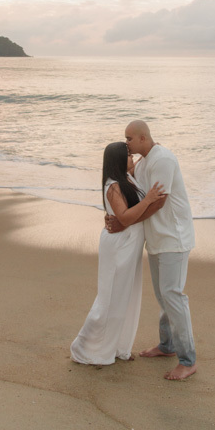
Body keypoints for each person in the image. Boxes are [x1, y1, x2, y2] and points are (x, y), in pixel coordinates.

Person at [106, 120, 197, 380]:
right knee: (163, 295)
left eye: (129, 139)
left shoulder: (163, 159)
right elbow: (130, 188)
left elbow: (158, 203)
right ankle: (167, 346)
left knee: (173, 295)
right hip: (156, 238)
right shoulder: (144, 163)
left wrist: (124, 223)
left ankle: (188, 361)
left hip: (174, 238)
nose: (126, 144)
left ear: (143, 138)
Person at [70, 141, 165, 365]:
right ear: (119, 160)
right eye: (129, 155)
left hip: (129, 244)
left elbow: (140, 161)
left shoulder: (127, 177)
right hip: (119, 246)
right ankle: (86, 348)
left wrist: (153, 149)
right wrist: (149, 199)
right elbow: (125, 217)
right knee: (111, 296)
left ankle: (116, 346)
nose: (132, 158)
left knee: (126, 296)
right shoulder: (113, 186)